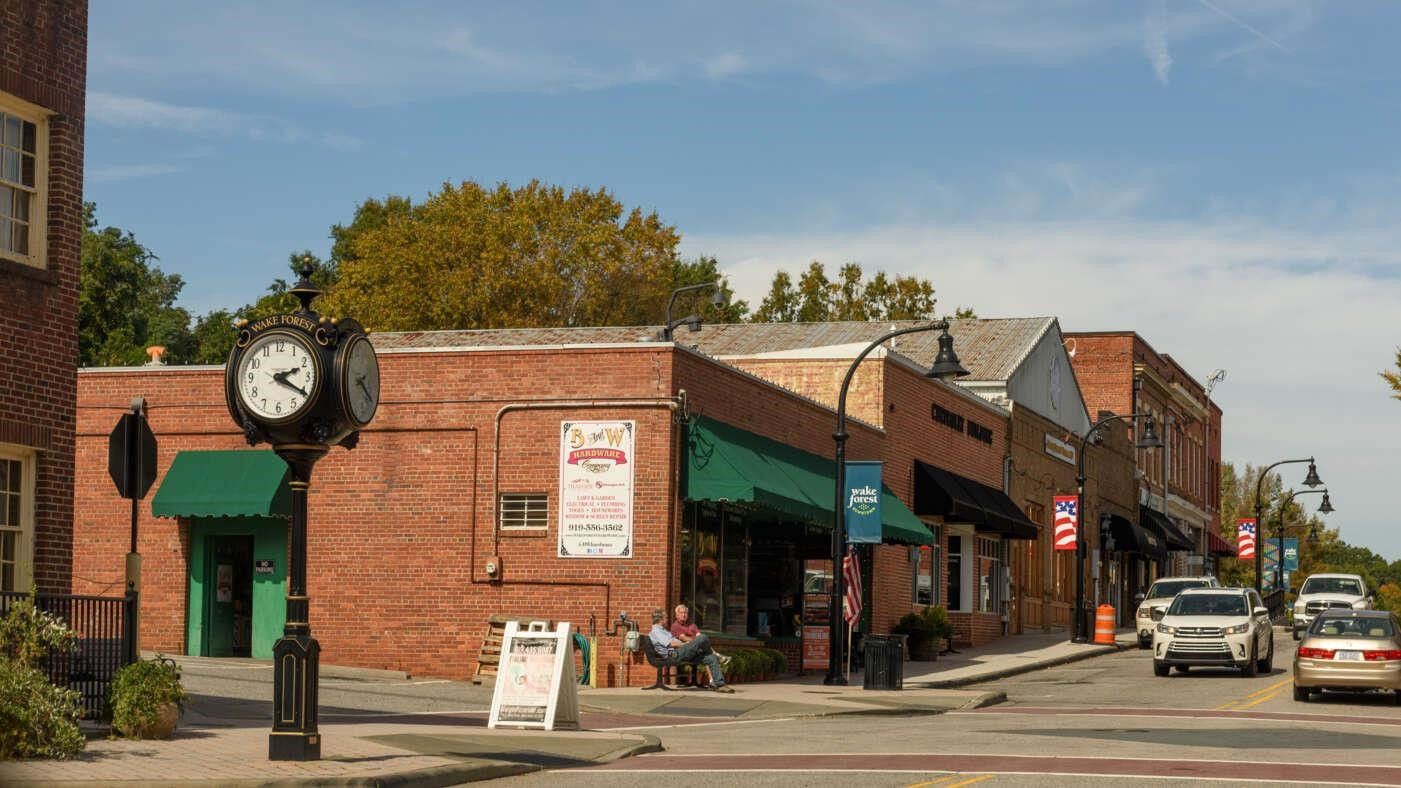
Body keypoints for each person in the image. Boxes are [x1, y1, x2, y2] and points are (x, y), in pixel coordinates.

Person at [649, 607, 734, 693]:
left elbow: (672, 643)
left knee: (711, 658)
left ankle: (720, 685)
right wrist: (685, 645)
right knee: (703, 638)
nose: (667, 620)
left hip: (680, 653)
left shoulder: (663, 630)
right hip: (674, 655)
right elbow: (671, 644)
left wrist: (687, 646)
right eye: (666, 618)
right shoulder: (656, 631)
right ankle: (717, 655)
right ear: (660, 619)